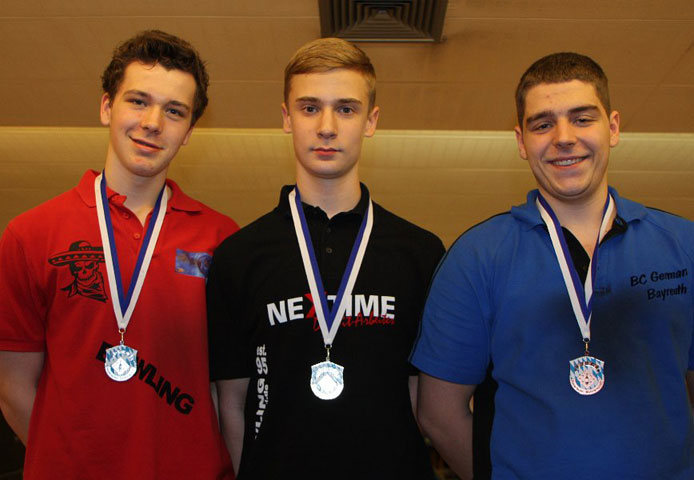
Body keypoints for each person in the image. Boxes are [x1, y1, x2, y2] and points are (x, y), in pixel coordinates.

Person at [411, 52, 694, 479]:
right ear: (521, 141)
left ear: (613, 127)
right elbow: (438, 413)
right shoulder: (476, 256)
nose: (564, 138)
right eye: (542, 124)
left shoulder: (683, 245)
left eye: (582, 119)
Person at [0, 30, 237, 479]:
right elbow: (13, 388)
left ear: (189, 131)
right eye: (138, 101)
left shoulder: (222, 238)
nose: (153, 122)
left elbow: (229, 391)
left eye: (174, 111)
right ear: (107, 107)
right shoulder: (31, 234)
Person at [206, 37, 445, 479]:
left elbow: (424, 400)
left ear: (371, 121)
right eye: (310, 108)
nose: (327, 127)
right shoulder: (240, 255)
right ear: (286, 118)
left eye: (346, 109)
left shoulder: (420, 252)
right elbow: (232, 402)